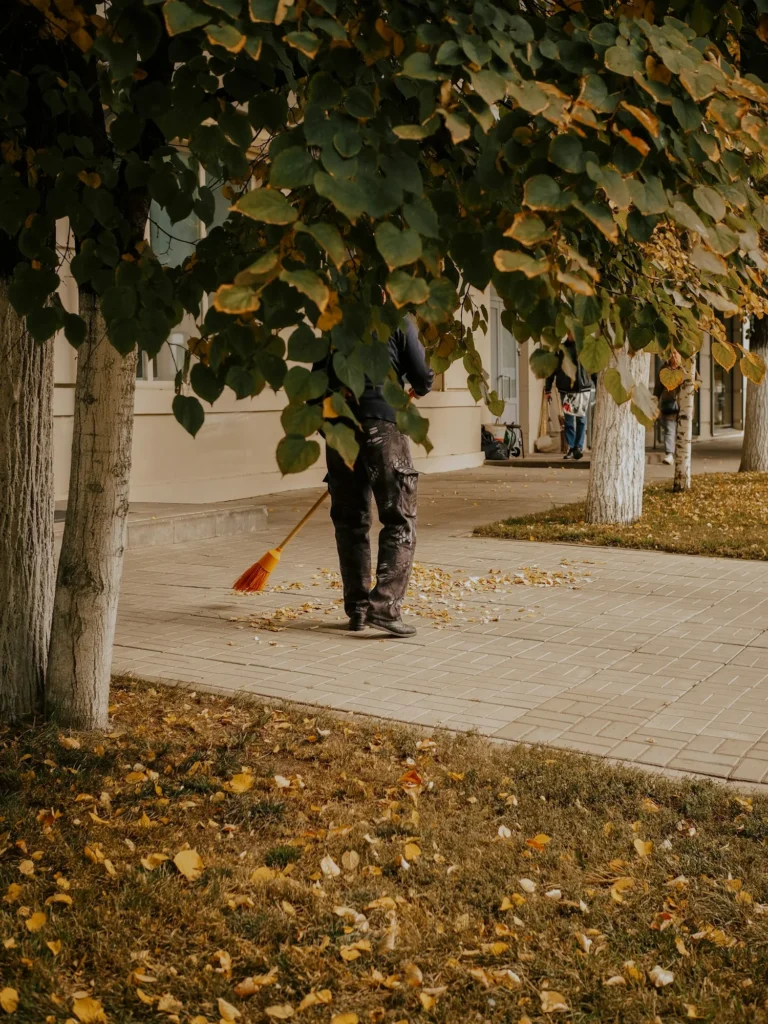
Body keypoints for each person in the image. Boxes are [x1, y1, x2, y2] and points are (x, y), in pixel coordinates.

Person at [317, 316, 434, 637]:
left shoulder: (334, 322)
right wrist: (419, 389)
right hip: (382, 423)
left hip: (338, 426)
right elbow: (422, 375)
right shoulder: (398, 320)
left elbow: (315, 383)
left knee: (350, 521)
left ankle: (357, 609)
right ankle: (383, 607)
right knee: (399, 518)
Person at [544, 339, 594, 460]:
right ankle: (571, 448)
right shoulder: (561, 349)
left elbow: (593, 365)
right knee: (569, 420)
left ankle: (579, 447)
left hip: (582, 388)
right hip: (566, 389)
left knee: (581, 419)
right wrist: (548, 388)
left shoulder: (585, 347)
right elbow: (552, 369)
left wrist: (597, 383)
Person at [654, 373, 679, 466]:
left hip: (684, 407)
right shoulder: (664, 369)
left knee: (682, 431)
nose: (673, 358)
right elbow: (657, 388)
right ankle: (669, 454)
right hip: (668, 405)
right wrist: (655, 401)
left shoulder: (687, 367)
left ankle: (681, 454)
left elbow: (697, 380)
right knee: (669, 430)